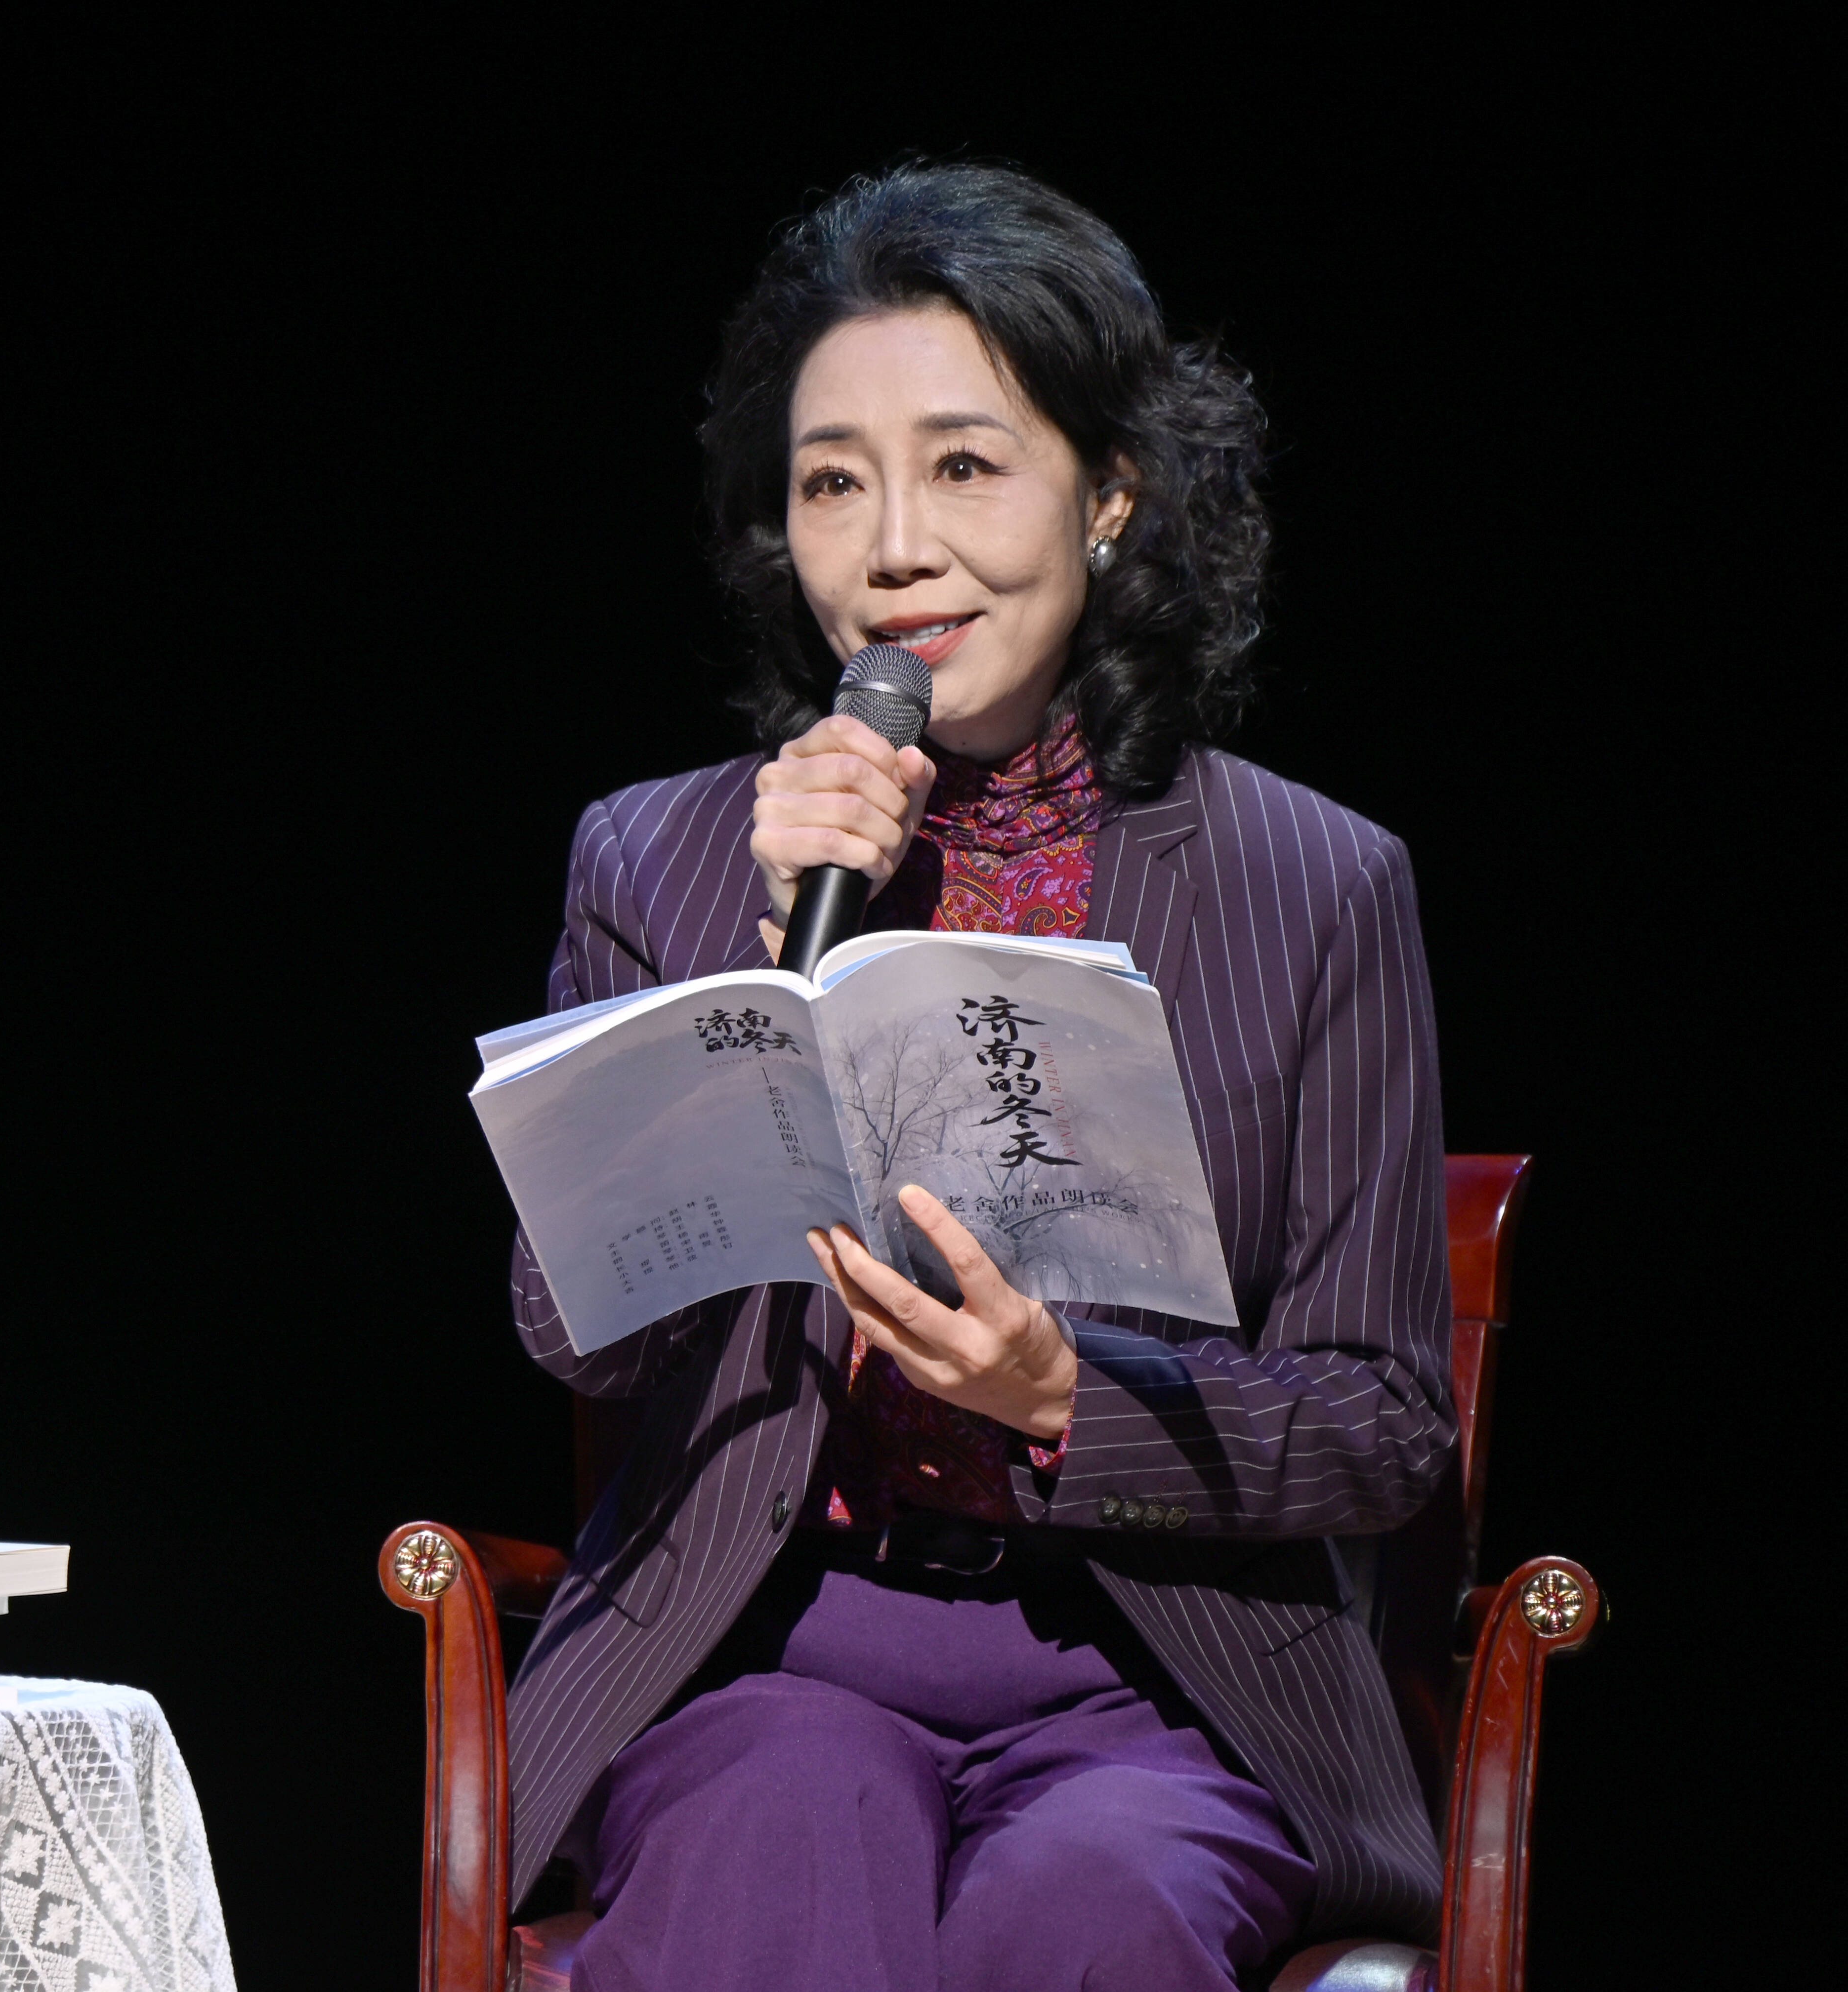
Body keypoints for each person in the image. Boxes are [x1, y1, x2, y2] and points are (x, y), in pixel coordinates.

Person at [502, 164, 1454, 1992]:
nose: (894, 549)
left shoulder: (1316, 883)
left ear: (1111, 493)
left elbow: (1386, 1419)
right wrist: (758, 967)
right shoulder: (664, 857)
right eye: (831, 482)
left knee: (1091, 1901)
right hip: (772, 1653)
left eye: (964, 465)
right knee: (780, 1830)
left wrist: (1063, 1397)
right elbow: (578, 1333)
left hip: (1159, 1678)